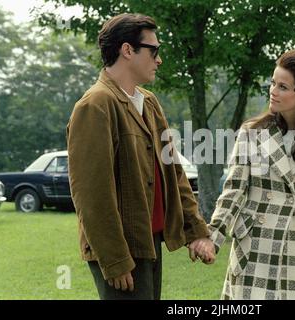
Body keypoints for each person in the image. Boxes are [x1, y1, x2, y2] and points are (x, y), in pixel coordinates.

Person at [67, 13, 215, 300]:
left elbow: (173, 172)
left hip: (150, 243)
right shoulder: (95, 105)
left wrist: (195, 229)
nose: (158, 60)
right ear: (127, 50)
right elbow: (91, 195)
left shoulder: (149, 102)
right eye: (153, 50)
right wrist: (114, 259)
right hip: (122, 251)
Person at [206, 49, 295, 300]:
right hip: (254, 248)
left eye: (283, 86)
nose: (273, 91)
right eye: (272, 83)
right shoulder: (251, 134)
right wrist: (212, 236)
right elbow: (233, 192)